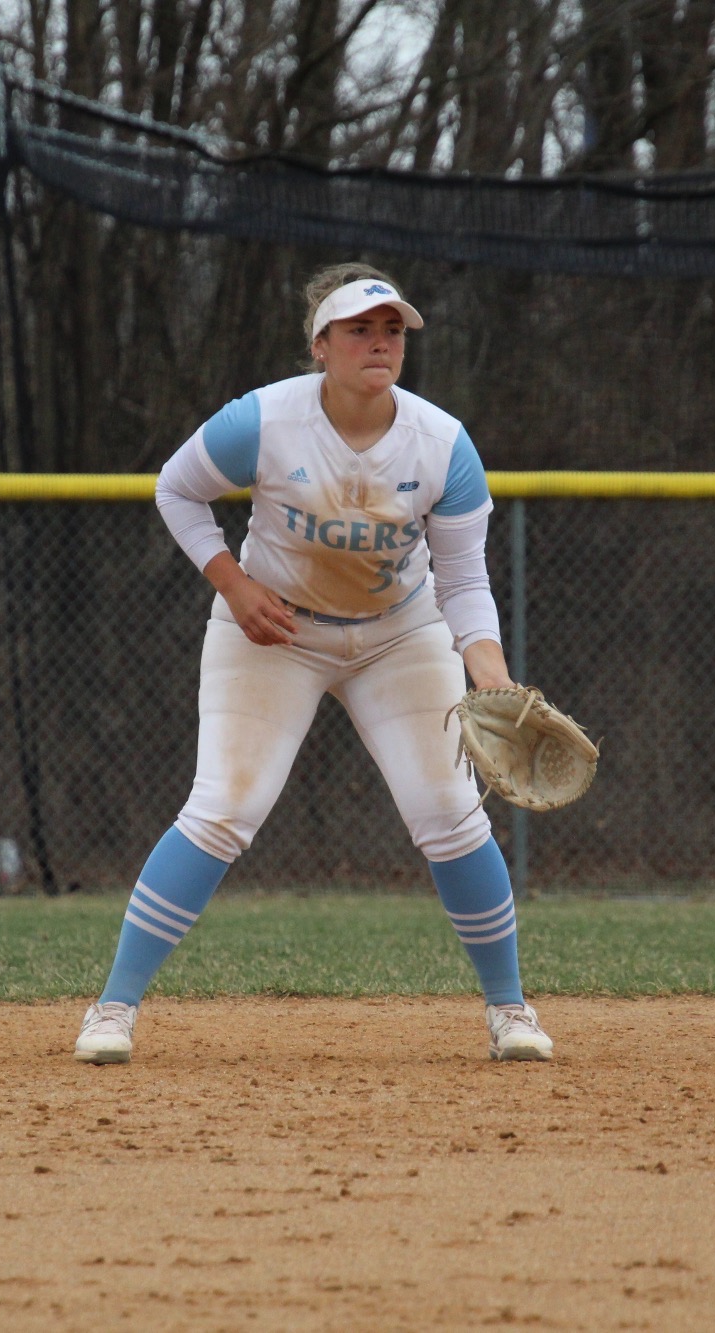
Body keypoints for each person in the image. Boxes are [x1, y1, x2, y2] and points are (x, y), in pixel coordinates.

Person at [73, 264, 553, 1064]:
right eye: (361, 329)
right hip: (272, 631)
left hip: (400, 635)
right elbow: (176, 491)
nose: (380, 342)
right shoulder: (261, 422)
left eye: (393, 329)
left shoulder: (442, 444)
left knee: (447, 810)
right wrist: (235, 583)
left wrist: (492, 676)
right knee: (225, 804)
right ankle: (112, 1007)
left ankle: (510, 1009)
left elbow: (464, 582)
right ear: (320, 346)